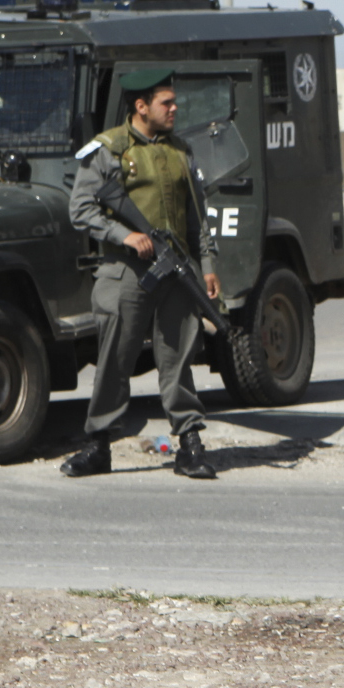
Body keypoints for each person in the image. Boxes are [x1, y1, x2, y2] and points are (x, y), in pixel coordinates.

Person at [59, 68, 220, 481]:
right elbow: (81, 209)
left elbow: (198, 218)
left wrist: (208, 267)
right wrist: (124, 235)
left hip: (175, 270)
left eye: (174, 102)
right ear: (141, 106)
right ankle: (98, 445)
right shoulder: (108, 149)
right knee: (115, 359)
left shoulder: (181, 151)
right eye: (166, 103)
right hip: (126, 271)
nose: (174, 109)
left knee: (178, 358)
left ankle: (189, 443)